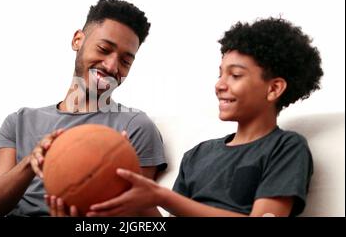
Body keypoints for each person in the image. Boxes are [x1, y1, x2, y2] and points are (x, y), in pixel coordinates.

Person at [83, 17, 323, 217]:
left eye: (235, 75)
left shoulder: (286, 148)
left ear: (273, 89)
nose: (219, 85)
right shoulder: (198, 155)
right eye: (220, 74)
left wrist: (161, 195)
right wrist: (136, 187)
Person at [0, 0, 167, 217]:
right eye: (104, 49)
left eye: (125, 61)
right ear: (78, 40)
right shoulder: (20, 120)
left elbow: (139, 212)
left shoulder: (135, 126)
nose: (111, 66)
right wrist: (33, 160)